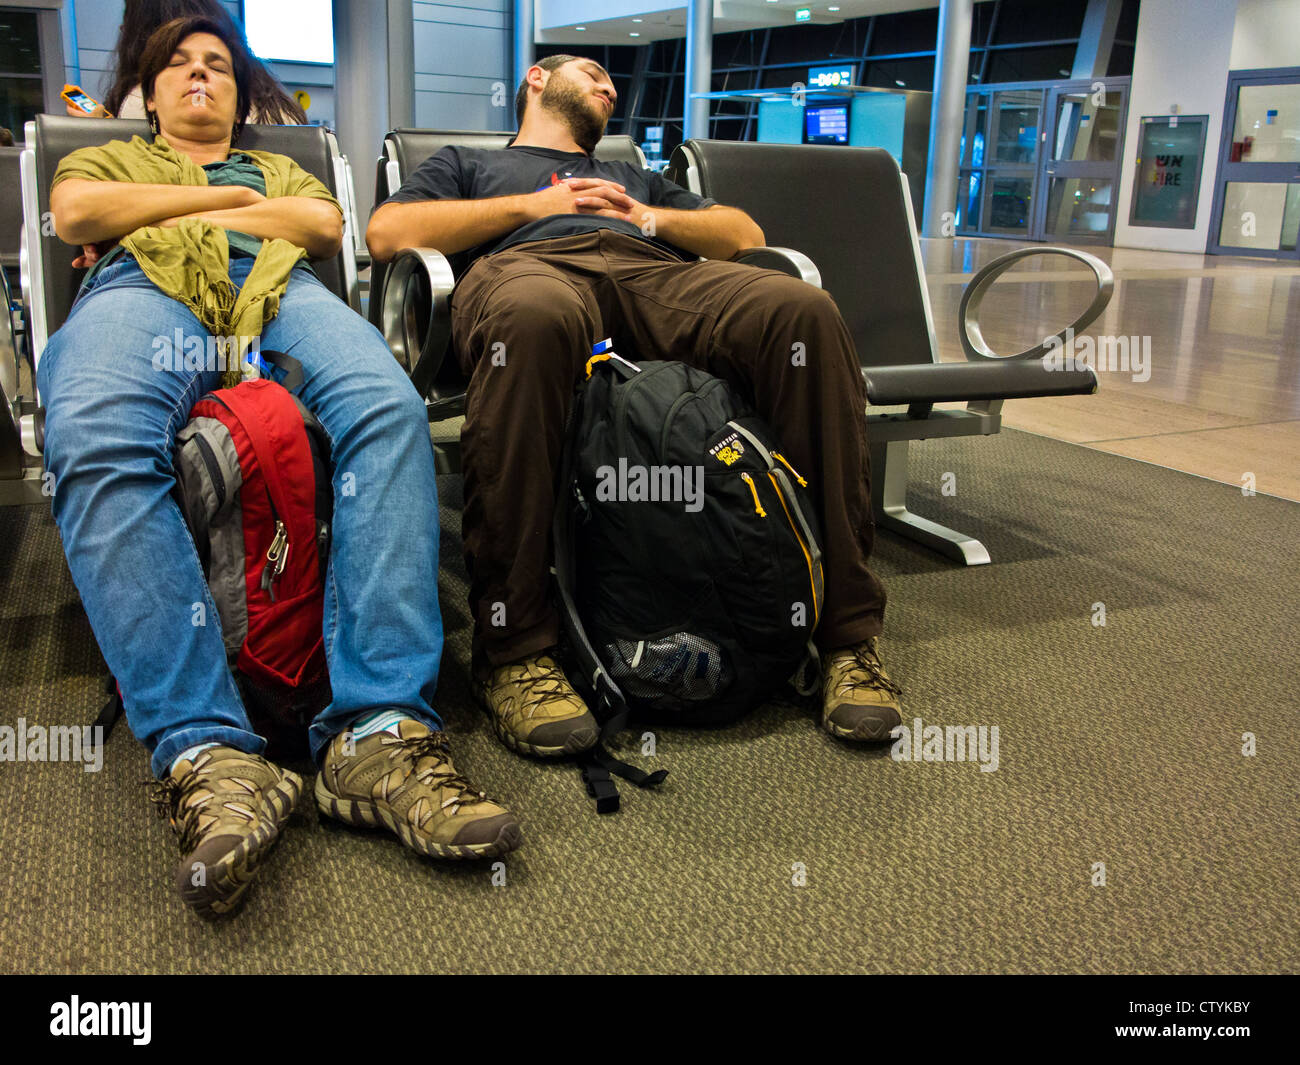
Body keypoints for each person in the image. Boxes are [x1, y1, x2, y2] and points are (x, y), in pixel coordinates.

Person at [43, 15, 518, 919]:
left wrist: (215, 211)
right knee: (99, 436)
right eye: (177, 66)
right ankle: (208, 753)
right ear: (146, 96)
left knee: (388, 411)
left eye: (217, 66)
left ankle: (378, 731)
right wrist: (211, 210)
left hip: (277, 287)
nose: (197, 77)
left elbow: (317, 225)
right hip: (142, 287)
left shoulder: (279, 166)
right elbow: (80, 215)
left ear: (239, 93)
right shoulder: (106, 158)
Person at [367, 54, 904, 759]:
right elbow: (386, 234)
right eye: (591, 72)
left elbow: (744, 235)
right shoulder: (465, 162)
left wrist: (647, 215)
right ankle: (517, 649)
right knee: (531, 317)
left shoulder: (635, 177)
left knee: (799, 311)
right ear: (535, 79)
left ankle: (844, 635)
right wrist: (538, 207)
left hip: (648, 270)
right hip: (529, 269)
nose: (610, 87)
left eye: (613, 84)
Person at [67, 0, 306, 125]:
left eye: (217, 66)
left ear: (239, 104)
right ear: (151, 99)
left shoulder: (280, 173)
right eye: (177, 63)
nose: (198, 70)